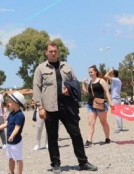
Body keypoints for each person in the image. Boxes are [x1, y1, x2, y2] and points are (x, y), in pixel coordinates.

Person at [33, 42, 97, 173]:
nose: (53, 53)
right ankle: (55, 164)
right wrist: (40, 107)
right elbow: (36, 88)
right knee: (52, 137)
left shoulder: (66, 66)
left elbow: (75, 82)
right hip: (50, 108)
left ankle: (83, 162)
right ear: (46, 52)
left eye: (55, 51)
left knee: (76, 134)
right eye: (50, 51)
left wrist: (70, 89)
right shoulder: (40, 69)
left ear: (58, 52)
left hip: (67, 106)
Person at [0, 92, 26, 174]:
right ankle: (11, 172)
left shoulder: (20, 115)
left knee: (18, 158)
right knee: (11, 157)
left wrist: (12, 135)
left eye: (10, 102)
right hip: (10, 142)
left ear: (16, 103)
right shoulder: (11, 113)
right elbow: (6, 124)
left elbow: (17, 127)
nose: (8, 103)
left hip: (16, 141)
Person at [81, 65, 112, 147]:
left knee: (103, 122)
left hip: (100, 104)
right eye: (89, 72)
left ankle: (107, 138)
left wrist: (110, 102)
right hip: (90, 105)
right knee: (91, 123)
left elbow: (107, 92)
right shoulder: (90, 82)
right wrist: (83, 83)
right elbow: (86, 93)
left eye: (91, 72)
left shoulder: (101, 81)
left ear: (95, 72)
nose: (90, 74)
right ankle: (89, 140)